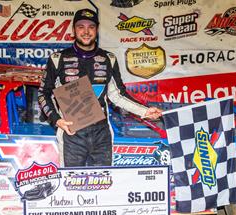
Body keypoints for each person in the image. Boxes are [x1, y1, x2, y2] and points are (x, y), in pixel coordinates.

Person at [38, 8, 162, 167]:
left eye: (91, 27)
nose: (86, 31)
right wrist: (57, 120)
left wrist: (145, 111)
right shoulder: (58, 59)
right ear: (74, 30)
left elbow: (117, 95)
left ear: (97, 29)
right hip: (71, 133)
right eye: (81, 26)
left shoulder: (108, 59)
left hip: (101, 133)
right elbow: (43, 93)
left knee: (103, 183)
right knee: (71, 185)